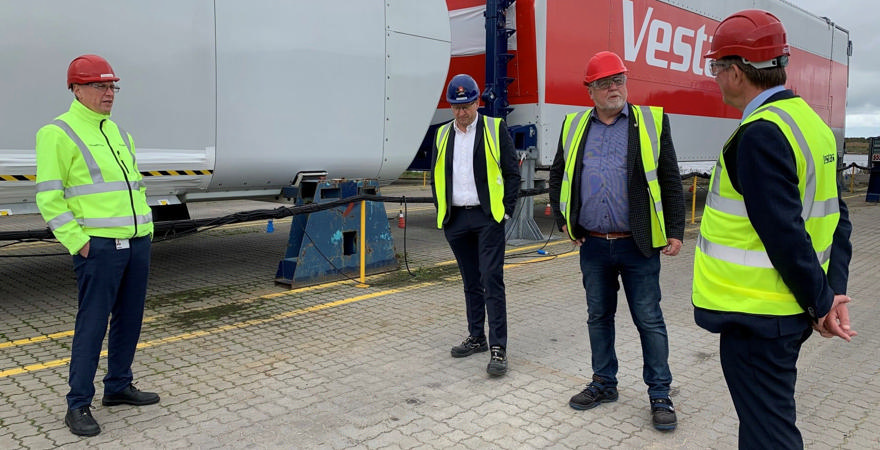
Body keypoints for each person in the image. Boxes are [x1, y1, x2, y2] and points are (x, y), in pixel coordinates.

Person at [694, 10, 856, 449]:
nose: (715, 78)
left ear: (735, 72)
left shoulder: (760, 133)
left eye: (716, 67)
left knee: (770, 434)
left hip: (758, 320)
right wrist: (830, 294)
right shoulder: (812, 125)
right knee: (762, 425)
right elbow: (838, 218)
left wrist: (823, 302)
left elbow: (785, 235)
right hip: (786, 314)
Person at [548, 51, 685, 431]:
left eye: (619, 80)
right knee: (598, 317)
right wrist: (564, 220)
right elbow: (558, 175)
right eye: (605, 83)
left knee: (649, 319)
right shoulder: (574, 126)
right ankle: (604, 383)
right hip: (592, 244)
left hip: (637, 243)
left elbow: (670, 178)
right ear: (589, 90)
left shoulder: (651, 123)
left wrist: (675, 230)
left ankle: (660, 393)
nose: (614, 88)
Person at [35, 54, 159, 437]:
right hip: (99, 247)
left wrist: (147, 230)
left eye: (112, 86)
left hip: (136, 242)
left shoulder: (119, 133)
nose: (109, 93)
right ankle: (78, 404)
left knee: (130, 318)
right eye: (100, 86)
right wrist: (79, 243)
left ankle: (118, 386)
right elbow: (49, 198)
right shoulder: (57, 133)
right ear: (76, 89)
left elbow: (133, 187)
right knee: (92, 323)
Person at [431, 74, 521, 377]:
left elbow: (512, 173)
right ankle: (476, 336)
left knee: (491, 280)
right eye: (456, 107)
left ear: (477, 102)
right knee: (470, 281)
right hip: (456, 219)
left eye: (467, 106)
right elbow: (437, 176)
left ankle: (498, 347)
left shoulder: (495, 128)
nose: (461, 112)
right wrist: (442, 212)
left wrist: (505, 212)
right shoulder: (442, 135)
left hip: (487, 218)